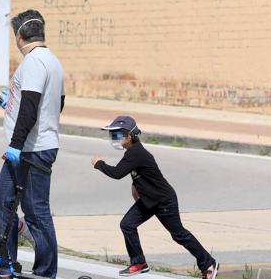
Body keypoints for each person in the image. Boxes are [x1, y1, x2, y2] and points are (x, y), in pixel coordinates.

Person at [91, 115, 219, 279]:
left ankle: (209, 263)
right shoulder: (133, 152)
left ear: (129, 136)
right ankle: (139, 263)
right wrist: (135, 186)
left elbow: (117, 173)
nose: (113, 138)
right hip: (148, 200)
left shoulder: (135, 153)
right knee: (127, 225)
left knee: (178, 234)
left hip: (163, 200)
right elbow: (140, 172)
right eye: (112, 135)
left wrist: (99, 164)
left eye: (117, 134)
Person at [0, 9, 65, 279]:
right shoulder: (54, 62)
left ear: (19, 35)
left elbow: (31, 108)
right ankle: (7, 265)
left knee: (34, 212)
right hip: (35, 145)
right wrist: (9, 105)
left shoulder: (33, 62)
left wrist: (16, 145)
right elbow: (56, 105)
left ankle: (45, 272)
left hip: (30, 149)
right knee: (3, 202)